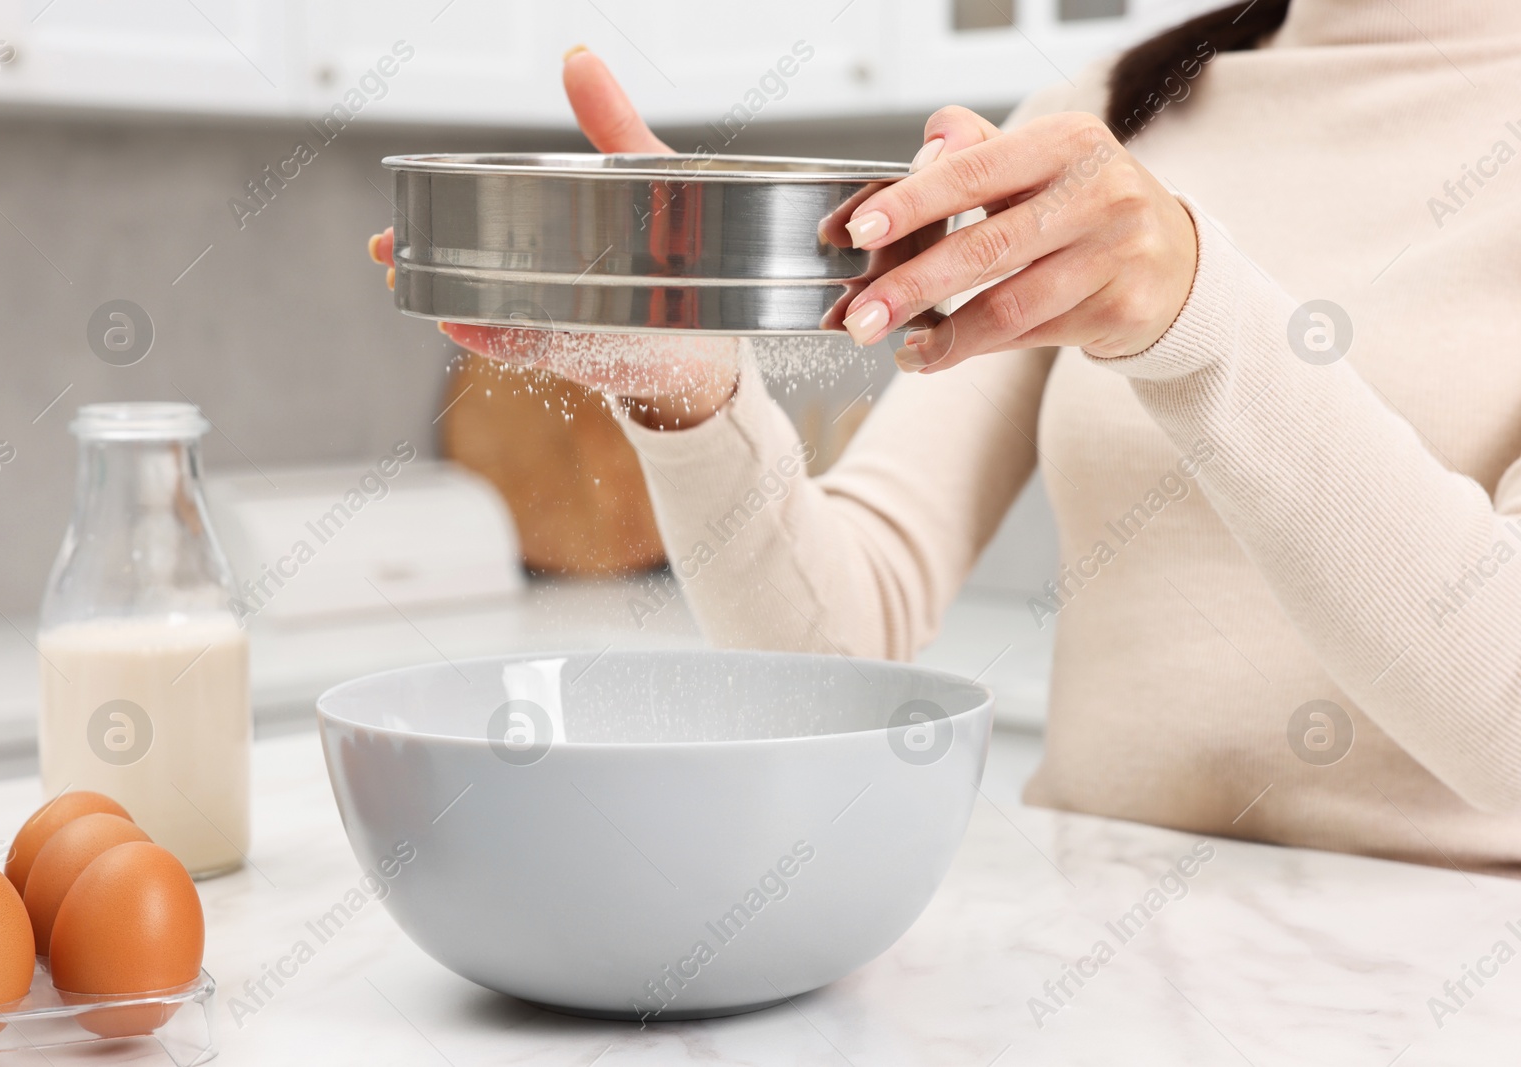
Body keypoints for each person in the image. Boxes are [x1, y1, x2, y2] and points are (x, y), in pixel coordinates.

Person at [367, 2, 1521, 874]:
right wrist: (689, 391)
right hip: (1092, 965)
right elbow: (841, 645)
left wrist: (1200, 318)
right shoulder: (1120, 103)